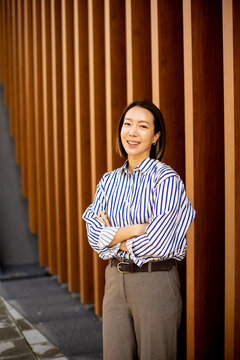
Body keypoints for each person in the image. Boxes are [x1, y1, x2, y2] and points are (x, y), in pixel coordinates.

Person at [82, 99, 195, 360]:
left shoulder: (166, 179)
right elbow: (92, 234)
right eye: (128, 124)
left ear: (156, 136)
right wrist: (134, 229)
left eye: (143, 126)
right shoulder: (108, 181)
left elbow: (158, 243)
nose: (132, 132)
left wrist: (112, 237)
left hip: (154, 281)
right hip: (114, 281)